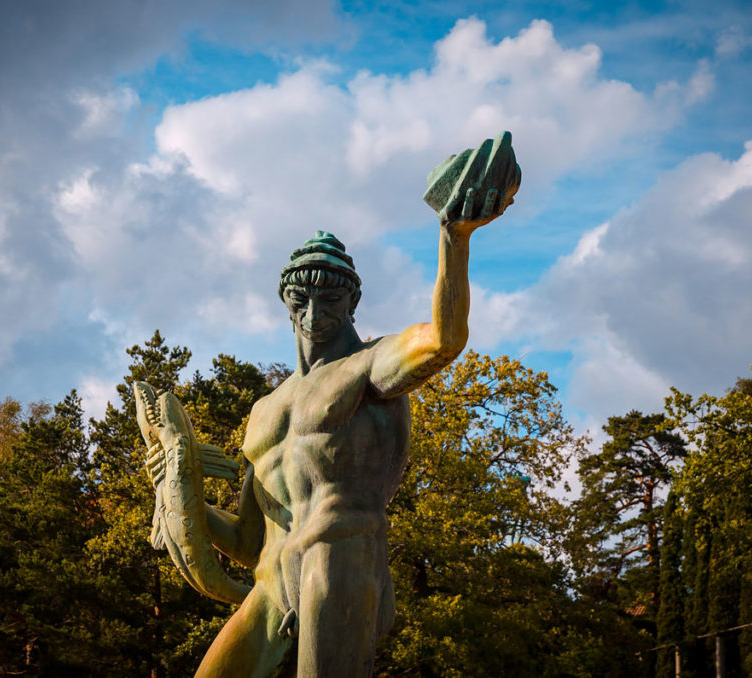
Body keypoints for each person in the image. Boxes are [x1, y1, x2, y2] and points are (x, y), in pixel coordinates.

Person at [143, 137, 519, 677]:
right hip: (272, 579)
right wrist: (182, 495)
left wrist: (453, 239)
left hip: (339, 556)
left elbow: (443, 338)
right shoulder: (264, 410)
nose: (314, 312)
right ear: (285, 303)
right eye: (301, 299)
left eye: (331, 299)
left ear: (353, 302)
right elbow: (250, 540)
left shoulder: (369, 366)